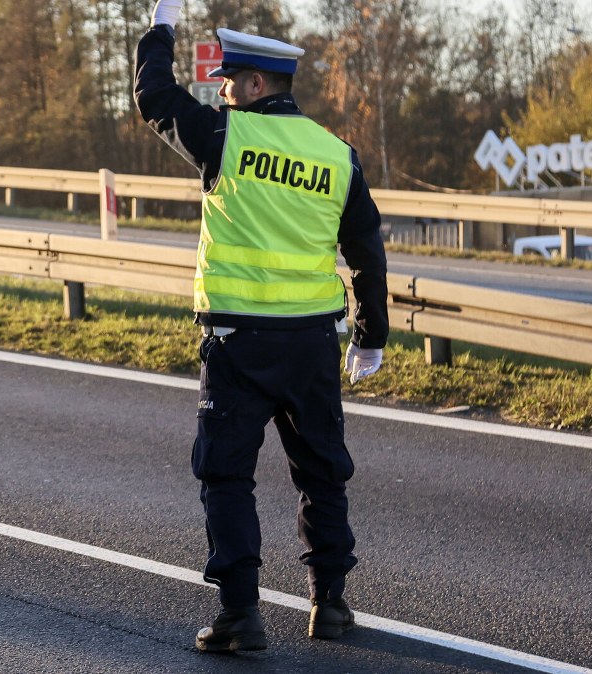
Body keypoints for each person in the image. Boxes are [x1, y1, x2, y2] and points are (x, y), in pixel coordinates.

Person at [134, 0, 389, 653]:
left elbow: (155, 97)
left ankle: (240, 618)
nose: (220, 92)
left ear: (254, 86)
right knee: (321, 474)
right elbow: (366, 250)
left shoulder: (225, 136)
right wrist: (372, 334)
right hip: (311, 344)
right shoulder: (337, 156)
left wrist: (159, 31)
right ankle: (329, 605)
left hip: (237, 345)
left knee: (227, 477)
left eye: (227, 83)